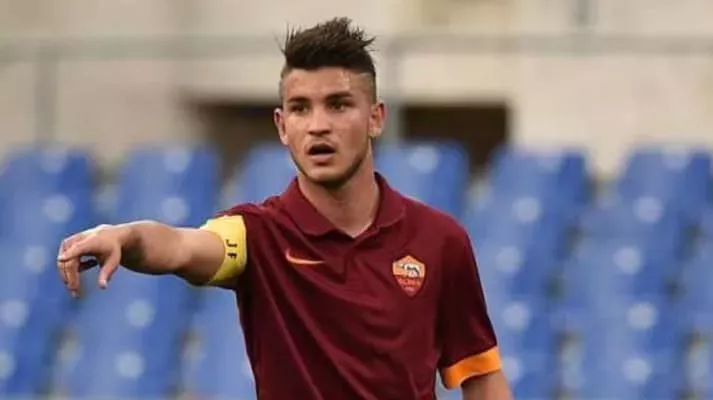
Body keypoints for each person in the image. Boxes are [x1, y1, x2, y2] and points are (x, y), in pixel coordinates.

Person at [56, 17, 512, 400]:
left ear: (376, 117)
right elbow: (180, 246)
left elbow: (483, 377)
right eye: (300, 108)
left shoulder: (440, 241)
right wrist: (127, 237)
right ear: (281, 126)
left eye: (338, 105)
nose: (318, 126)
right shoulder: (255, 235)